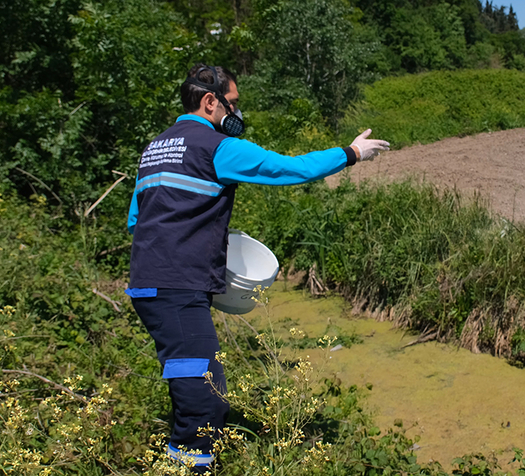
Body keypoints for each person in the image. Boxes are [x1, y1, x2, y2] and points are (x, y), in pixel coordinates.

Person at [125, 63, 389, 472]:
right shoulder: (216, 147)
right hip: (177, 286)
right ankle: (189, 465)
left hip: (150, 282)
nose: (237, 114)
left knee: (193, 373)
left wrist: (201, 232)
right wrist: (352, 154)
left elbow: (137, 220)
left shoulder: (155, 148)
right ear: (210, 101)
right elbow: (290, 168)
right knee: (203, 390)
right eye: (233, 104)